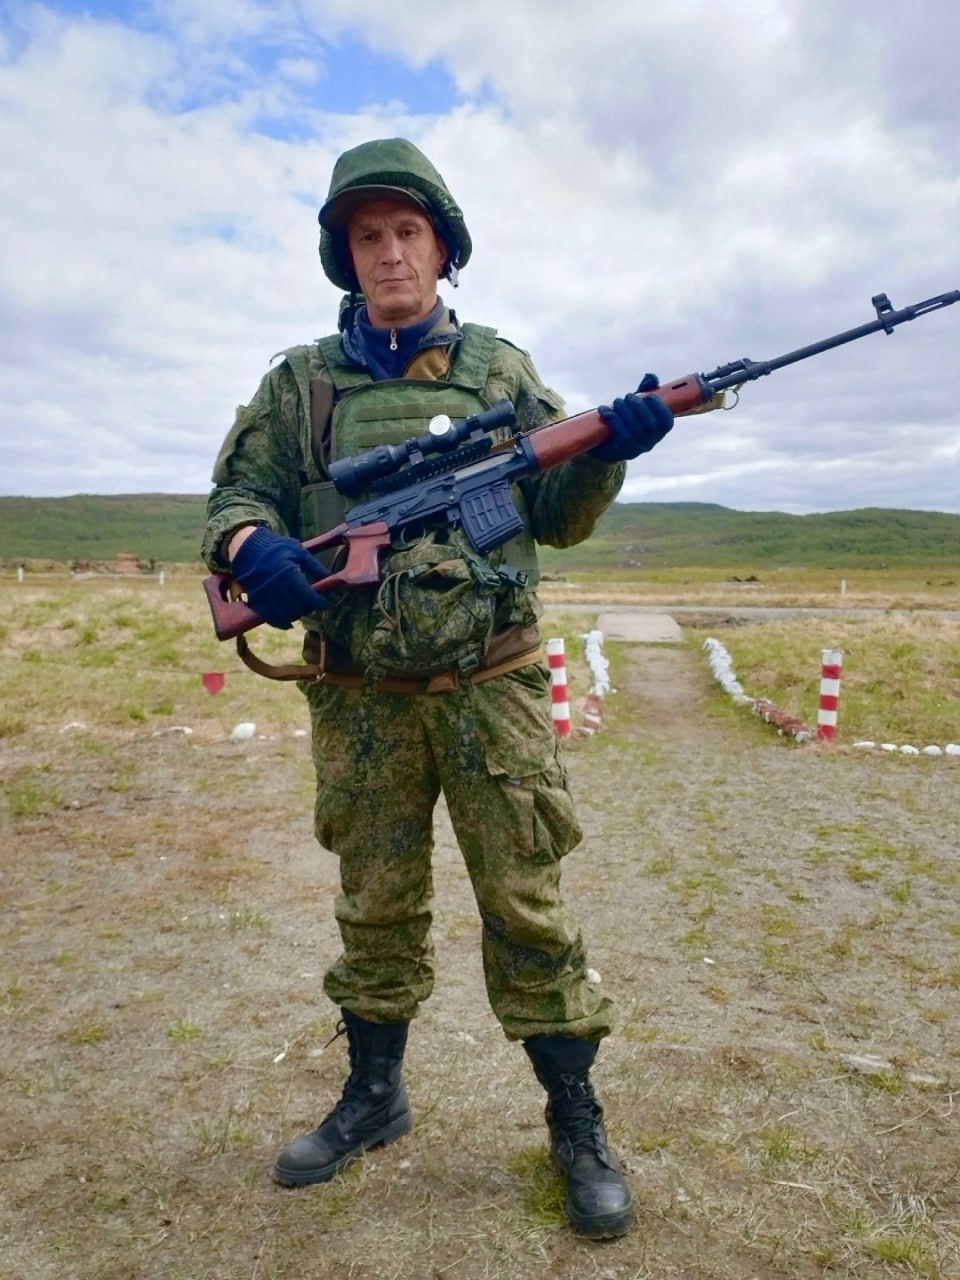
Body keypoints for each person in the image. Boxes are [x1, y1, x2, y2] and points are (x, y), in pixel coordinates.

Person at [202, 137, 674, 1240]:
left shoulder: (502, 375)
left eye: (407, 232)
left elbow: (555, 514)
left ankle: (575, 1119)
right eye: (368, 236)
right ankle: (374, 1095)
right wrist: (255, 545)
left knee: (526, 903)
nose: (390, 253)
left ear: (442, 247)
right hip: (361, 696)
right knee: (374, 903)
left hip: (490, 687)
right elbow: (233, 494)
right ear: (345, 257)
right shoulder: (300, 384)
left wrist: (612, 449)